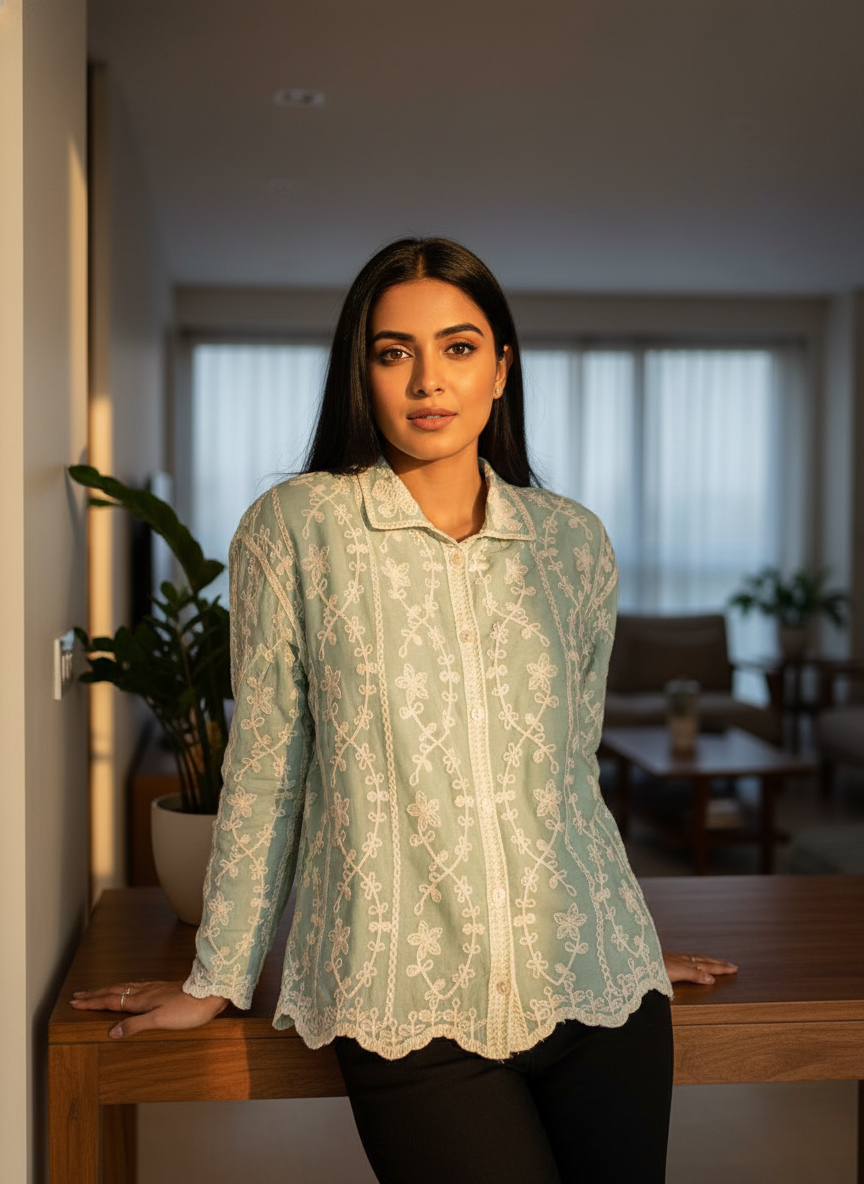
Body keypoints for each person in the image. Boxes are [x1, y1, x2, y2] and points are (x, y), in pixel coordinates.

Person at [72, 237, 737, 1183]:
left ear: (503, 368)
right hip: (403, 998)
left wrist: (618, 932)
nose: (428, 379)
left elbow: (563, 774)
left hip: (597, 987)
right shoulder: (296, 530)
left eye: (459, 348)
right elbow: (265, 770)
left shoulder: (573, 544)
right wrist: (217, 977)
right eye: (395, 352)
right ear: (363, 371)